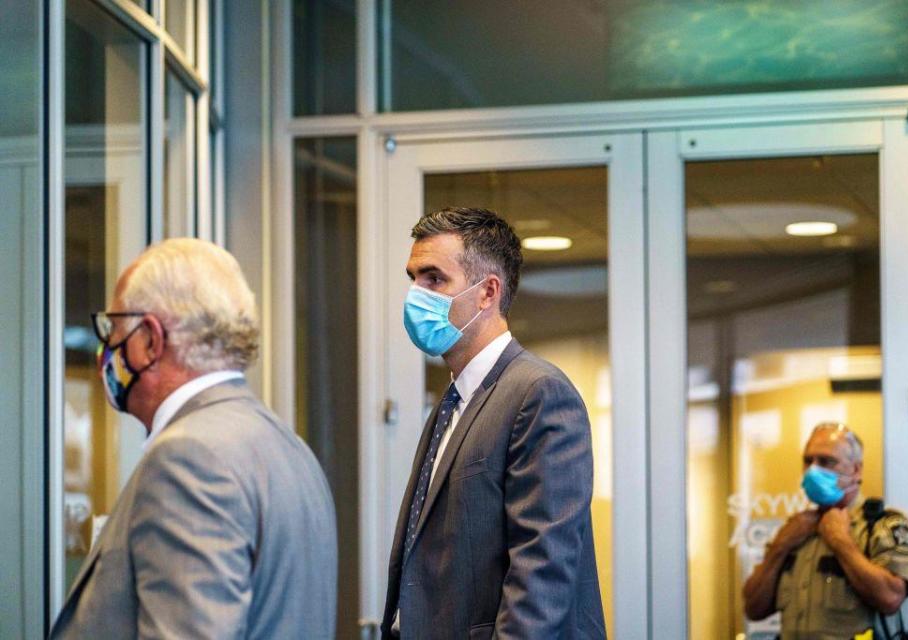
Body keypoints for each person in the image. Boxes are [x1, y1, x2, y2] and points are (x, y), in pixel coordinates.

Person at [50, 238, 337, 639]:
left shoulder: (188, 457)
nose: (106, 348)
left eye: (113, 328)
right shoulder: (287, 445)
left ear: (150, 339)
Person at [380, 207, 605, 639]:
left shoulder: (537, 393)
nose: (416, 293)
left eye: (434, 279)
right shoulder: (454, 401)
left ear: (488, 293)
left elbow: (542, 573)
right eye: (412, 278)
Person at [742, 422, 908, 639]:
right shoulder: (795, 530)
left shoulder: (882, 526)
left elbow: (890, 598)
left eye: (827, 461)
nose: (813, 470)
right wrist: (780, 547)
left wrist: (841, 542)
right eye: (808, 461)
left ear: (855, 470)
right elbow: (753, 608)